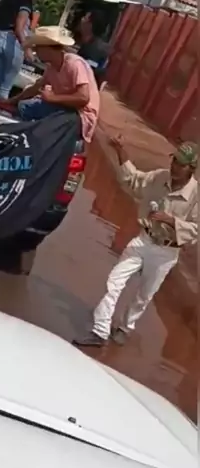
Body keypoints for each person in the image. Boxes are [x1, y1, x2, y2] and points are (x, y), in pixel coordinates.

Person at [74, 139, 198, 347]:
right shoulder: (159, 177)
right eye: (175, 161)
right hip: (143, 240)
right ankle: (100, 330)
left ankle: (125, 327)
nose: (175, 167)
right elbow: (134, 180)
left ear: (191, 168)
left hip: (167, 252)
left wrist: (171, 221)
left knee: (144, 295)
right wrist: (120, 152)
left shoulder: (196, 196)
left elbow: (196, 230)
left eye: (181, 164)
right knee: (114, 281)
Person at [6, 26, 100, 145]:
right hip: (64, 109)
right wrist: (12, 101)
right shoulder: (51, 67)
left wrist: (52, 98)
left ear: (48, 48)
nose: (36, 51)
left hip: (80, 115)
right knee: (25, 106)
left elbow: (83, 97)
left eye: (38, 47)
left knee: (35, 112)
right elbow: (36, 88)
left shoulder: (74, 64)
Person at [75, 10, 110, 89]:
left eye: (85, 18)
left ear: (90, 25)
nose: (81, 19)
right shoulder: (89, 44)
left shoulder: (95, 49)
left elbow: (88, 69)